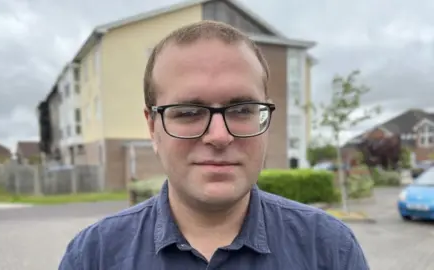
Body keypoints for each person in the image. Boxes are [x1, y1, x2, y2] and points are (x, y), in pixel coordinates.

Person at [58, 20, 369, 269]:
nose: (219, 136)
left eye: (242, 110)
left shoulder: (328, 249)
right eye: (190, 112)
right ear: (153, 128)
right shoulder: (94, 256)